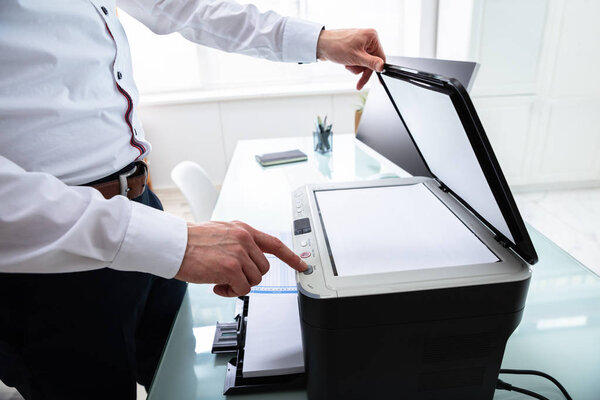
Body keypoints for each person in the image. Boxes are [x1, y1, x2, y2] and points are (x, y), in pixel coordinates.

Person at [0, 0, 386, 399]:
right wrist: (173, 242)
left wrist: (319, 41)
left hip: (141, 206)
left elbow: (185, 8)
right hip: (50, 255)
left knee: (188, 378)